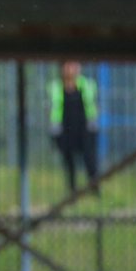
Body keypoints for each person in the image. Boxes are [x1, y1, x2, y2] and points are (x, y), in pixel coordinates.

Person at [49, 60, 100, 194]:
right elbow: (54, 110)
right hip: (65, 128)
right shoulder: (56, 87)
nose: (71, 69)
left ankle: (94, 188)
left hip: (85, 128)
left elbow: (92, 107)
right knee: (68, 160)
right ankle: (72, 191)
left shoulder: (87, 85)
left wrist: (93, 126)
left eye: (74, 65)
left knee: (90, 159)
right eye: (67, 65)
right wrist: (55, 130)